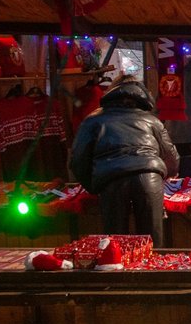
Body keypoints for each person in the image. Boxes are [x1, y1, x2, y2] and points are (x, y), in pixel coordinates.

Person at [70, 75, 179, 246]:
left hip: (111, 180)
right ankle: (154, 271)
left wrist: (93, 185)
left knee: (115, 248)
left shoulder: (93, 120)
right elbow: (171, 158)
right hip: (149, 178)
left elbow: (78, 160)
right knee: (152, 245)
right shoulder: (152, 121)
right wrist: (167, 175)